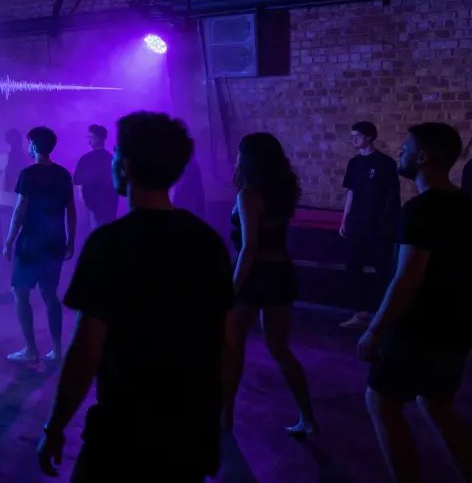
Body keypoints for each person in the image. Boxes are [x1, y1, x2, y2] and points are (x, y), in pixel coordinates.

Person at [38, 112, 235, 482]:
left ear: (126, 166)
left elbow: (85, 351)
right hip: (188, 433)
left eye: (116, 157)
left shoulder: (109, 244)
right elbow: (226, 345)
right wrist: (213, 428)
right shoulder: (208, 242)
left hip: (124, 432)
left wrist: (54, 428)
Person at [358, 123, 472, 483]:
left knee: (380, 402)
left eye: (407, 146)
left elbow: (407, 280)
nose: (402, 151)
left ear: (423, 156)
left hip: (418, 328)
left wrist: (375, 330)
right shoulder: (467, 206)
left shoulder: (421, 210)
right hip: (455, 327)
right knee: (437, 405)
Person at [221, 133, 318, 436]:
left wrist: (233, 287)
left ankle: (224, 420)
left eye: (239, 153)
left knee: (232, 349)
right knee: (279, 348)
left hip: (255, 273)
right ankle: (308, 418)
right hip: (281, 271)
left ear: (248, 159)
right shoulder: (282, 189)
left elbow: (249, 247)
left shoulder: (248, 194)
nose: (235, 159)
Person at [3, 127, 76, 364]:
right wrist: (71, 239)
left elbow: (20, 211)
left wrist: (9, 241)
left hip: (31, 242)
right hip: (55, 240)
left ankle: (31, 350)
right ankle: (57, 349)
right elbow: (71, 209)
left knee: (20, 292)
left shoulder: (28, 174)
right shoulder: (63, 174)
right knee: (49, 294)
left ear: (33, 145)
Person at [339, 121, 401, 330]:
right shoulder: (354, 163)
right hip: (356, 223)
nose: (354, 139)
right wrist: (344, 220)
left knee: (383, 268)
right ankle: (360, 313)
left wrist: (386, 223)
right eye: (352, 135)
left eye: (357, 135)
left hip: (377, 225)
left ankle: (386, 315)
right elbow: (351, 192)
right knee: (352, 267)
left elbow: (392, 196)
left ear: (369, 137)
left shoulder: (385, 163)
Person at [73, 125, 118, 230]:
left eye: (91, 137)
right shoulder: (88, 159)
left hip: (106, 206)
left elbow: (78, 182)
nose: (89, 141)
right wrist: (83, 201)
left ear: (99, 138)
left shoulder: (109, 159)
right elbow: (78, 182)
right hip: (94, 207)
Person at [0, 128, 28, 248]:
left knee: (6, 239)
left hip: (4, 203)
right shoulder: (26, 159)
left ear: (7, 142)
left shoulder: (3, 158)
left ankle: (7, 264)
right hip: (21, 203)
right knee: (20, 238)